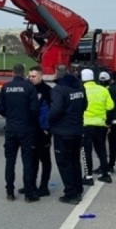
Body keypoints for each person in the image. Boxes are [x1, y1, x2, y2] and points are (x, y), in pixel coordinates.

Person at [0, 63, 40, 202]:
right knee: (27, 162)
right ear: (24, 73)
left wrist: (10, 116)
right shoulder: (29, 88)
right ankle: (28, 194)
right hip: (26, 129)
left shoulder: (6, 87)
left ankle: (10, 192)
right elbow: (35, 109)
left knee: (10, 162)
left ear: (12, 73)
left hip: (10, 129)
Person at [48, 65, 88, 205]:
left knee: (64, 163)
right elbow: (85, 105)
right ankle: (78, 189)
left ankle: (70, 193)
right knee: (74, 161)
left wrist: (48, 119)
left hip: (62, 131)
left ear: (57, 75)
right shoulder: (79, 87)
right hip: (77, 130)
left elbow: (56, 109)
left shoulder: (58, 90)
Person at [81, 68, 114, 185]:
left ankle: (88, 176)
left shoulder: (81, 90)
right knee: (101, 150)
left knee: (86, 151)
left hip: (85, 124)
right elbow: (110, 106)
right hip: (100, 124)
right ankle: (106, 174)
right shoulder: (103, 90)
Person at [27, 66, 53, 197]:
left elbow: (51, 111)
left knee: (45, 159)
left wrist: (47, 128)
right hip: (30, 130)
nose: (31, 79)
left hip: (43, 131)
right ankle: (31, 185)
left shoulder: (47, 90)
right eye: (30, 76)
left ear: (41, 76)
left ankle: (44, 186)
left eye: (34, 76)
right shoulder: (27, 88)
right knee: (32, 160)